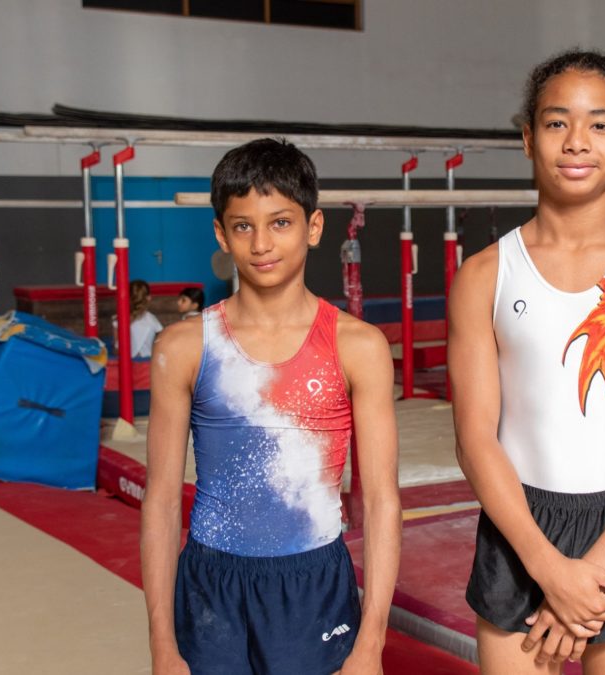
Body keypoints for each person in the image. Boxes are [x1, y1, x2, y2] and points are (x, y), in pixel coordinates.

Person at [449, 48, 605, 674]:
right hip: (520, 528)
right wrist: (546, 567)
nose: (577, 142)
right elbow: (475, 438)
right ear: (528, 139)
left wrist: (592, 571)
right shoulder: (484, 275)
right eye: (557, 122)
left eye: (600, 124)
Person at [141, 138, 401, 675]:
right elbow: (162, 503)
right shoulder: (183, 347)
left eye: (280, 223)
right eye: (243, 226)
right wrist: (162, 645)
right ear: (221, 233)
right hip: (211, 582)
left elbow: (379, 502)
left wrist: (370, 642)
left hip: (314, 584)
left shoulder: (358, 347)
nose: (261, 243)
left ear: (314, 227)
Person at [128, 279, 164, 358]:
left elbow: (116, 348)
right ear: (149, 298)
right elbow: (163, 340)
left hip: (126, 363)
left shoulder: (118, 319)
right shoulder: (152, 320)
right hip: (146, 364)